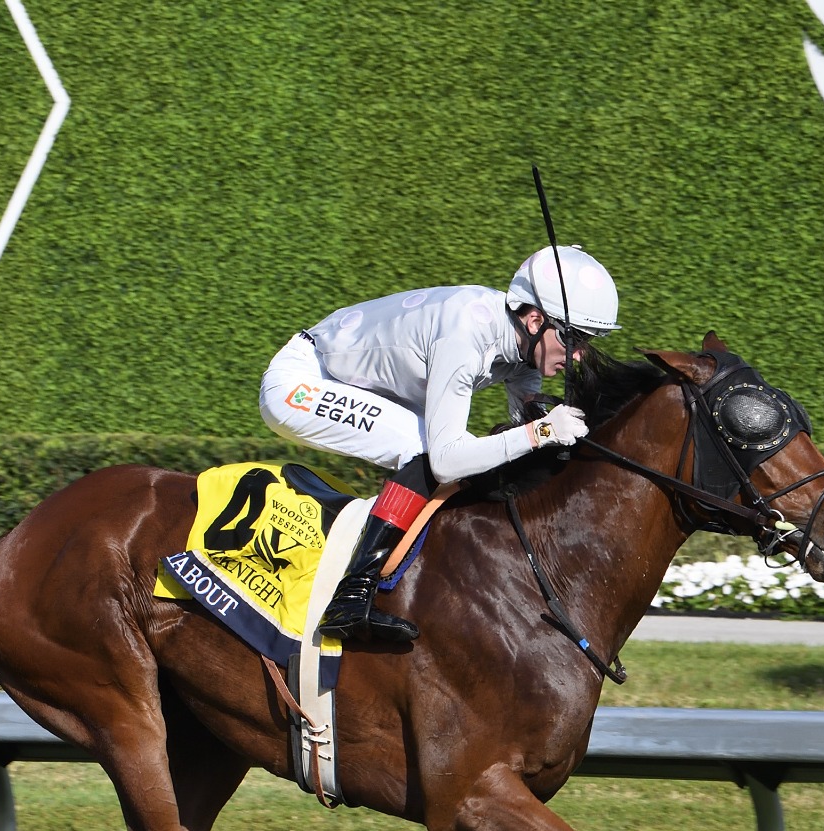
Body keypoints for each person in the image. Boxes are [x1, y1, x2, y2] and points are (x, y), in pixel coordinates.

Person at [258, 245, 620, 642]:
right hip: (302, 383)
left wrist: (546, 433)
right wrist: (543, 432)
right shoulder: (465, 335)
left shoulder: (520, 346)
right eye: (576, 340)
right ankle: (352, 597)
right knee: (426, 452)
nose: (580, 356)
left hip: (346, 378)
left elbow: (524, 422)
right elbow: (447, 461)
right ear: (535, 320)